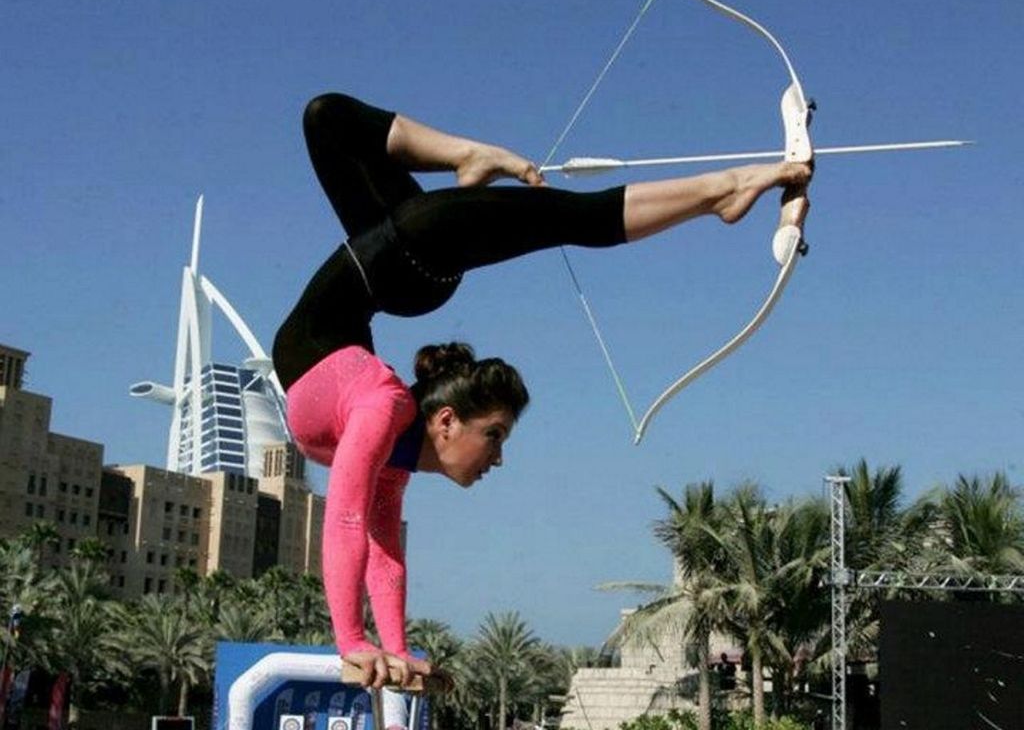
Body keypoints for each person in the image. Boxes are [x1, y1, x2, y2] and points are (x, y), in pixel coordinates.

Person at [272, 93, 812, 695]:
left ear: (446, 420)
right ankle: (470, 157)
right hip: (403, 263)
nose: (497, 457)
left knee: (570, 217)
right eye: (497, 437)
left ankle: (724, 191)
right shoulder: (385, 420)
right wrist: (377, 649)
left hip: (411, 252)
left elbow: (358, 525)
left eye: (494, 436)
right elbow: (372, 535)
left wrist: (370, 646)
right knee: (325, 117)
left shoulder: (382, 409)